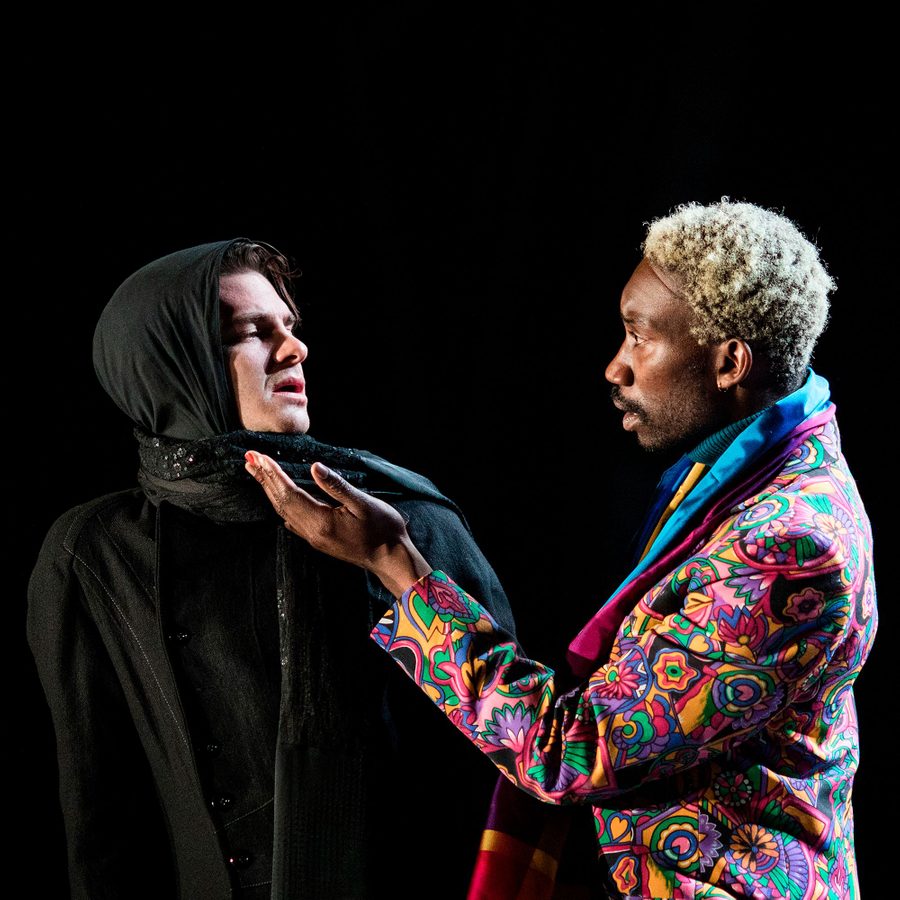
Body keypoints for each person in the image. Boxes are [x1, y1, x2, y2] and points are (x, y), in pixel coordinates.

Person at [244, 199, 878, 899]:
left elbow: (574, 751)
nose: (616, 367)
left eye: (640, 337)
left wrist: (394, 560)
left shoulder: (785, 546)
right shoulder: (765, 471)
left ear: (730, 362)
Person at [26, 238, 518, 899]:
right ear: (168, 364)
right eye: (251, 333)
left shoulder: (400, 518)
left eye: (290, 327)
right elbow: (103, 815)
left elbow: (499, 762)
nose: (294, 350)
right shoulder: (95, 552)